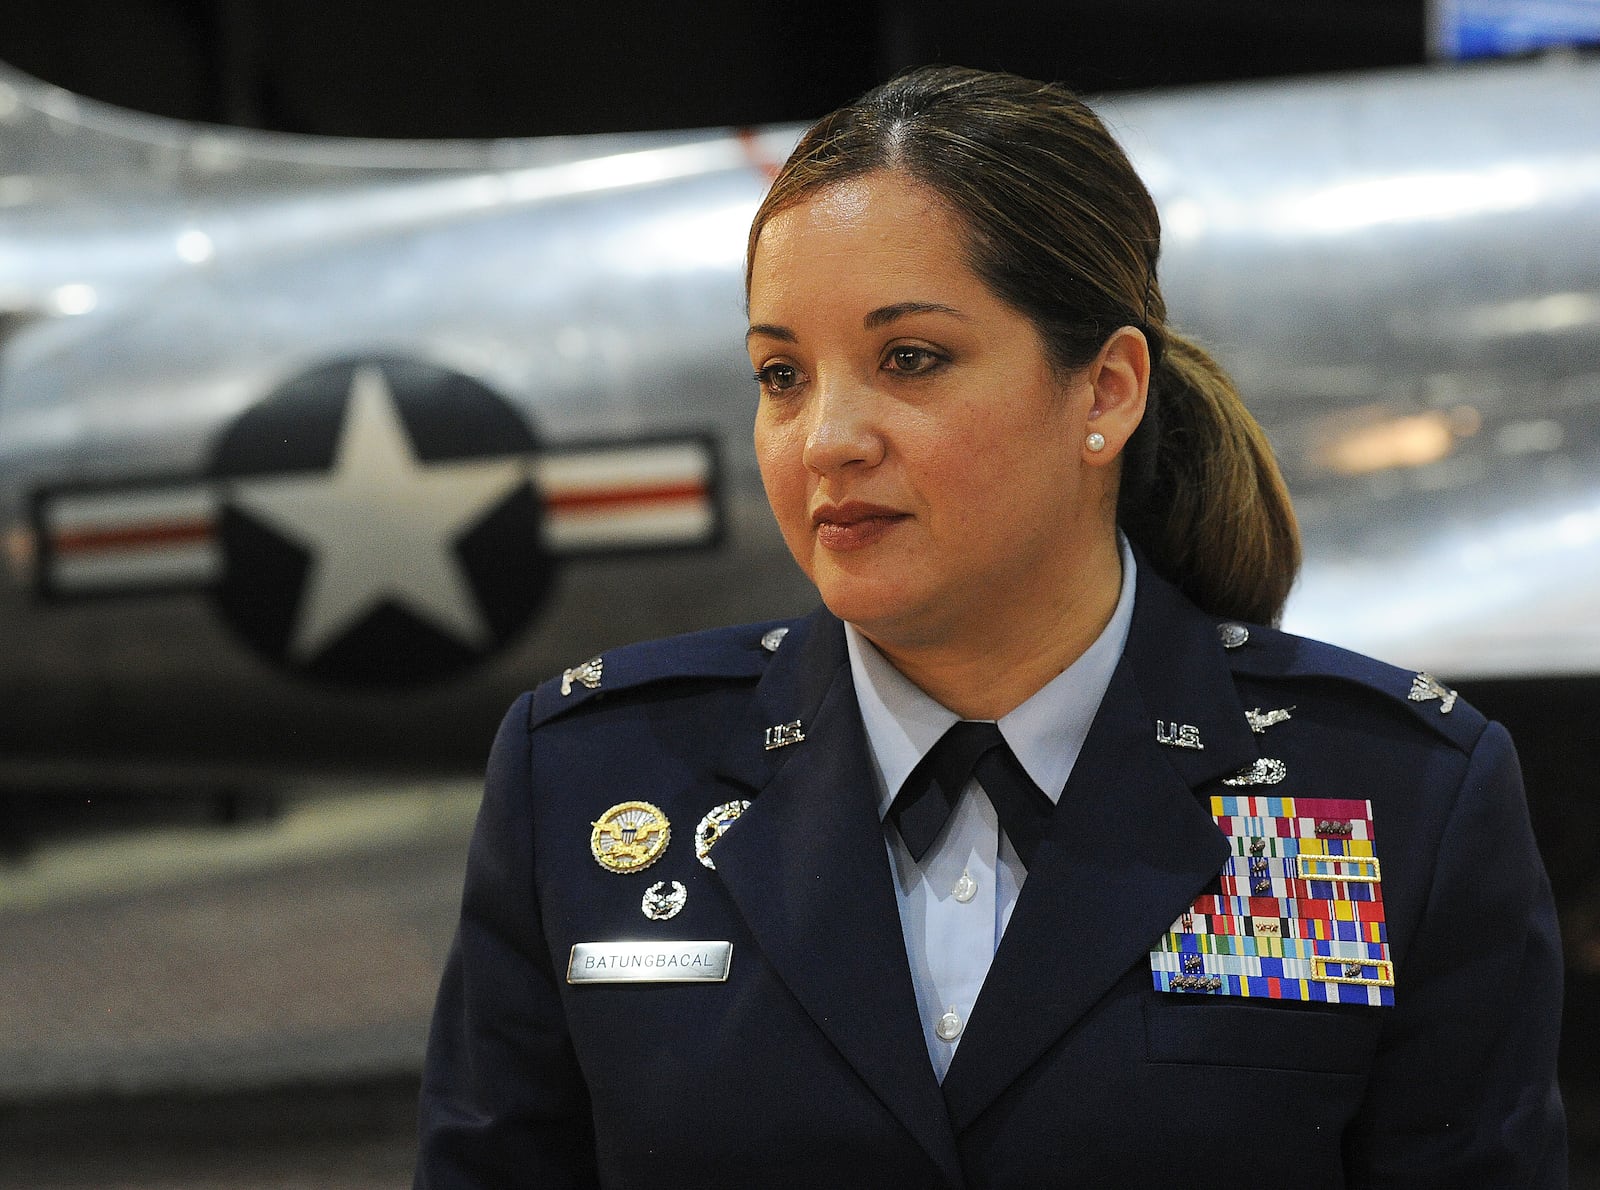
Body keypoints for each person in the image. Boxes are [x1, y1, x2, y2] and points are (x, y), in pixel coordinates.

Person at [414, 66, 1566, 1188]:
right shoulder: (588, 777)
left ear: (1107, 390)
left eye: (908, 358)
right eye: (780, 374)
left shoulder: (1391, 793)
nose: (826, 438)